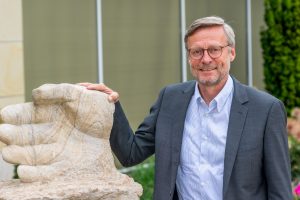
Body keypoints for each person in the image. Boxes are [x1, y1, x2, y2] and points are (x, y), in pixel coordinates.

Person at [81, 16, 293, 200]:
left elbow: (280, 191)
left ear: (232, 53)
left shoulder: (265, 110)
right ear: (189, 57)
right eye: (197, 51)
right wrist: (110, 105)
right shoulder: (170, 100)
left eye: (214, 50)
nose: (206, 58)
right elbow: (131, 153)